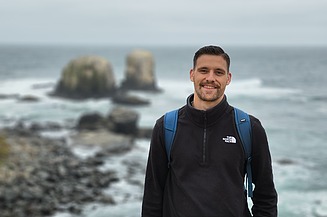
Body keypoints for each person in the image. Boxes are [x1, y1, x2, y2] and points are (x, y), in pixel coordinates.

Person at [141, 45, 278, 217]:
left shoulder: (249, 128)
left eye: (218, 72)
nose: (210, 78)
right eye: (203, 70)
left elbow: (266, 196)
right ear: (192, 74)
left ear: (228, 78)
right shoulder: (166, 127)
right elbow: (152, 197)